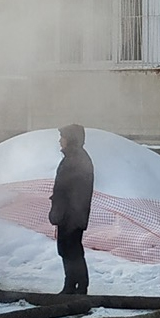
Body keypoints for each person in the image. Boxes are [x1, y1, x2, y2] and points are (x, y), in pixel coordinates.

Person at [49, 124, 96, 296]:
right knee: (67, 249)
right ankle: (71, 285)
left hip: (72, 215)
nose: (60, 140)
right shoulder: (73, 158)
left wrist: (63, 212)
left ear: (71, 139)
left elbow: (72, 191)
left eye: (63, 137)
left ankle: (79, 287)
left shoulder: (76, 160)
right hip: (69, 214)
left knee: (72, 249)